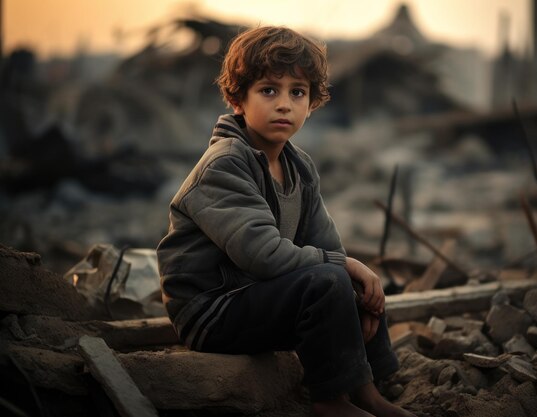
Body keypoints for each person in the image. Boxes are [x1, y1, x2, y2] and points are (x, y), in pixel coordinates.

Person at [156, 26, 415, 417]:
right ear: (237, 99)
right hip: (211, 310)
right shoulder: (226, 163)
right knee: (330, 277)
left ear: (312, 103)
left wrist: (355, 281)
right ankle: (330, 402)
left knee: (360, 283)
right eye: (268, 90)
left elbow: (327, 246)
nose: (284, 104)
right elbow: (263, 255)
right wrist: (342, 268)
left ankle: (368, 392)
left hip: (259, 296)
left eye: (297, 92)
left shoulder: (299, 166)